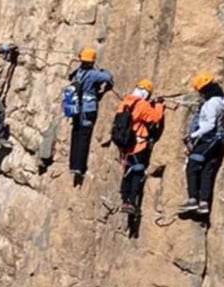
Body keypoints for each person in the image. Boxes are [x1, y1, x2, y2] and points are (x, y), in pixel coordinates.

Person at [179, 72, 224, 219]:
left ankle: (192, 199)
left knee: (192, 166)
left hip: (208, 140)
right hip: (218, 142)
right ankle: (203, 202)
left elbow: (209, 125)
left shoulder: (211, 104)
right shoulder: (223, 101)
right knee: (207, 171)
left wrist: (192, 135)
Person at [115, 80, 165, 216]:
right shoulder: (142, 104)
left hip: (125, 145)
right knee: (137, 172)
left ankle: (125, 200)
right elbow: (155, 118)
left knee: (127, 172)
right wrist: (159, 105)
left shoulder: (125, 102)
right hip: (138, 144)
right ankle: (132, 201)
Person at [67, 47, 113, 185]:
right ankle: (80, 167)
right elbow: (108, 77)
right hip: (88, 108)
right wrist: (104, 70)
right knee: (84, 137)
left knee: (75, 135)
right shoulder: (93, 74)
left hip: (76, 108)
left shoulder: (78, 72)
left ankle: (73, 165)